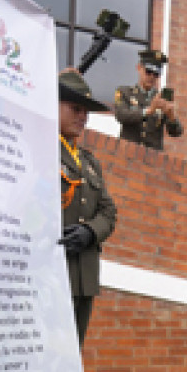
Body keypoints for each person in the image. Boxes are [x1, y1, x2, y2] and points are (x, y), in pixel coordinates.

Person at [57, 70, 118, 348]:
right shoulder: (40, 149)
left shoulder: (89, 162)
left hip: (84, 278)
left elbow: (109, 212)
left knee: (73, 360)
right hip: (54, 277)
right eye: (75, 108)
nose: (82, 116)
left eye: (86, 112)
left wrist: (90, 232)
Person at [114, 49, 183, 151]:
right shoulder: (125, 92)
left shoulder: (160, 99)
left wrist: (171, 115)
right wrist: (149, 110)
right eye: (148, 71)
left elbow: (176, 132)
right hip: (127, 154)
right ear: (139, 68)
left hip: (152, 159)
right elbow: (121, 115)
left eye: (156, 74)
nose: (152, 77)